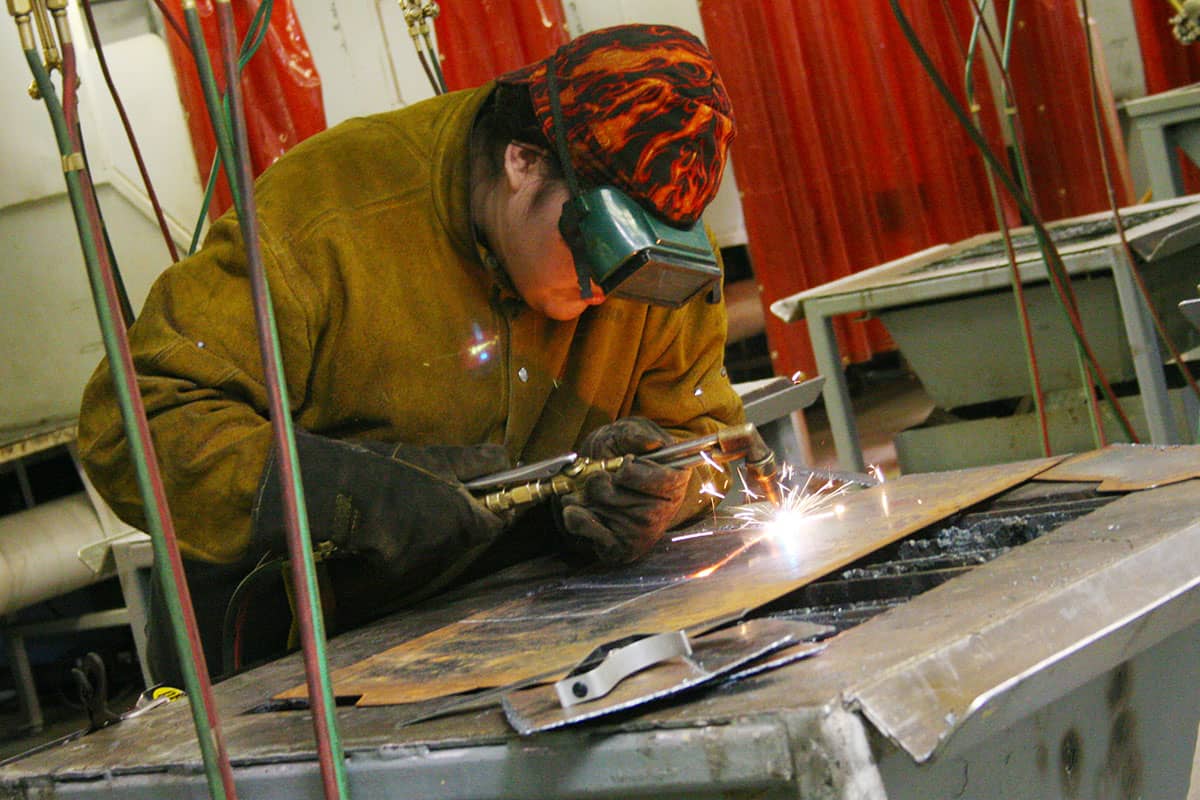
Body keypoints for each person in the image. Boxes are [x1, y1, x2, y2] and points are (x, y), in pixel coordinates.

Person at [77, 23, 746, 680]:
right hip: (285, 656)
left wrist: (661, 496)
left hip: (504, 625)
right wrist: (345, 492)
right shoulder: (330, 217)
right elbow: (131, 423)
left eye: (638, 260)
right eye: (597, 244)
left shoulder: (661, 249)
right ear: (524, 162)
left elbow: (706, 438)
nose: (607, 287)